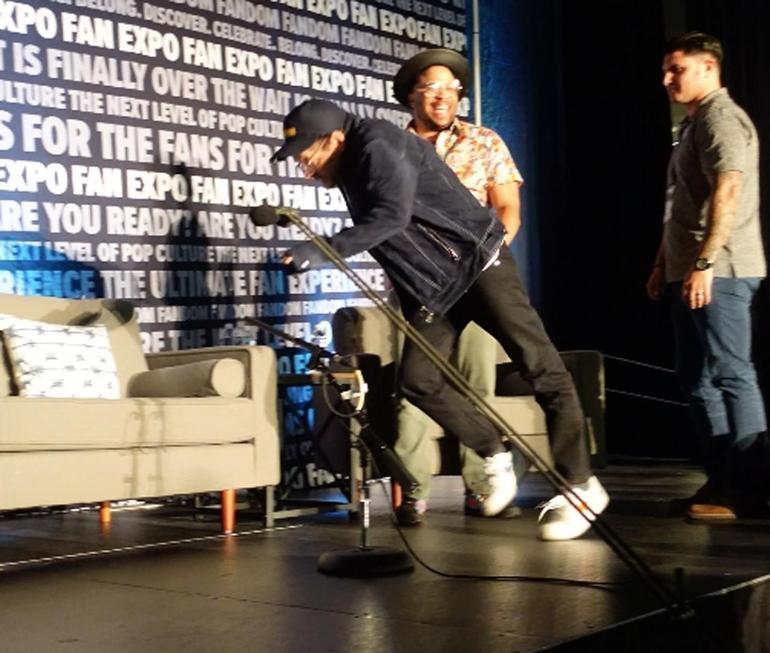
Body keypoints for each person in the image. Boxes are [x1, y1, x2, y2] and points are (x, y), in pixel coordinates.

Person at [272, 98, 608, 540]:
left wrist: (320, 250)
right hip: (437, 289)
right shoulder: (352, 164)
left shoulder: (377, 143)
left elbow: (391, 217)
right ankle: (494, 452)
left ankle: (581, 486)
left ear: (333, 139)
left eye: (307, 158)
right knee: (418, 381)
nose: (307, 171)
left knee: (540, 366)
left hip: (478, 266)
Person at [390, 48, 527, 525]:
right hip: (421, 286)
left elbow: (508, 209)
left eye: (452, 88)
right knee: (415, 388)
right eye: (432, 88)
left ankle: (482, 487)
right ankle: (412, 490)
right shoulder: (392, 149)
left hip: (476, 281)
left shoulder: (483, 141)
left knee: (476, 383)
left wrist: (489, 264)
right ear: (412, 96)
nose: (443, 96)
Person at [647, 32, 767, 520]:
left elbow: (728, 191)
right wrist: (664, 264)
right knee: (696, 378)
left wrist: (704, 264)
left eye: (676, 69)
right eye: (665, 70)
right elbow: (680, 205)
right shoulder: (694, 124)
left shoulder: (721, 117)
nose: (666, 79)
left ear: (709, 68)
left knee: (731, 373)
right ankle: (722, 481)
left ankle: (751, 488)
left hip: (722, 270)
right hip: (689, 270)